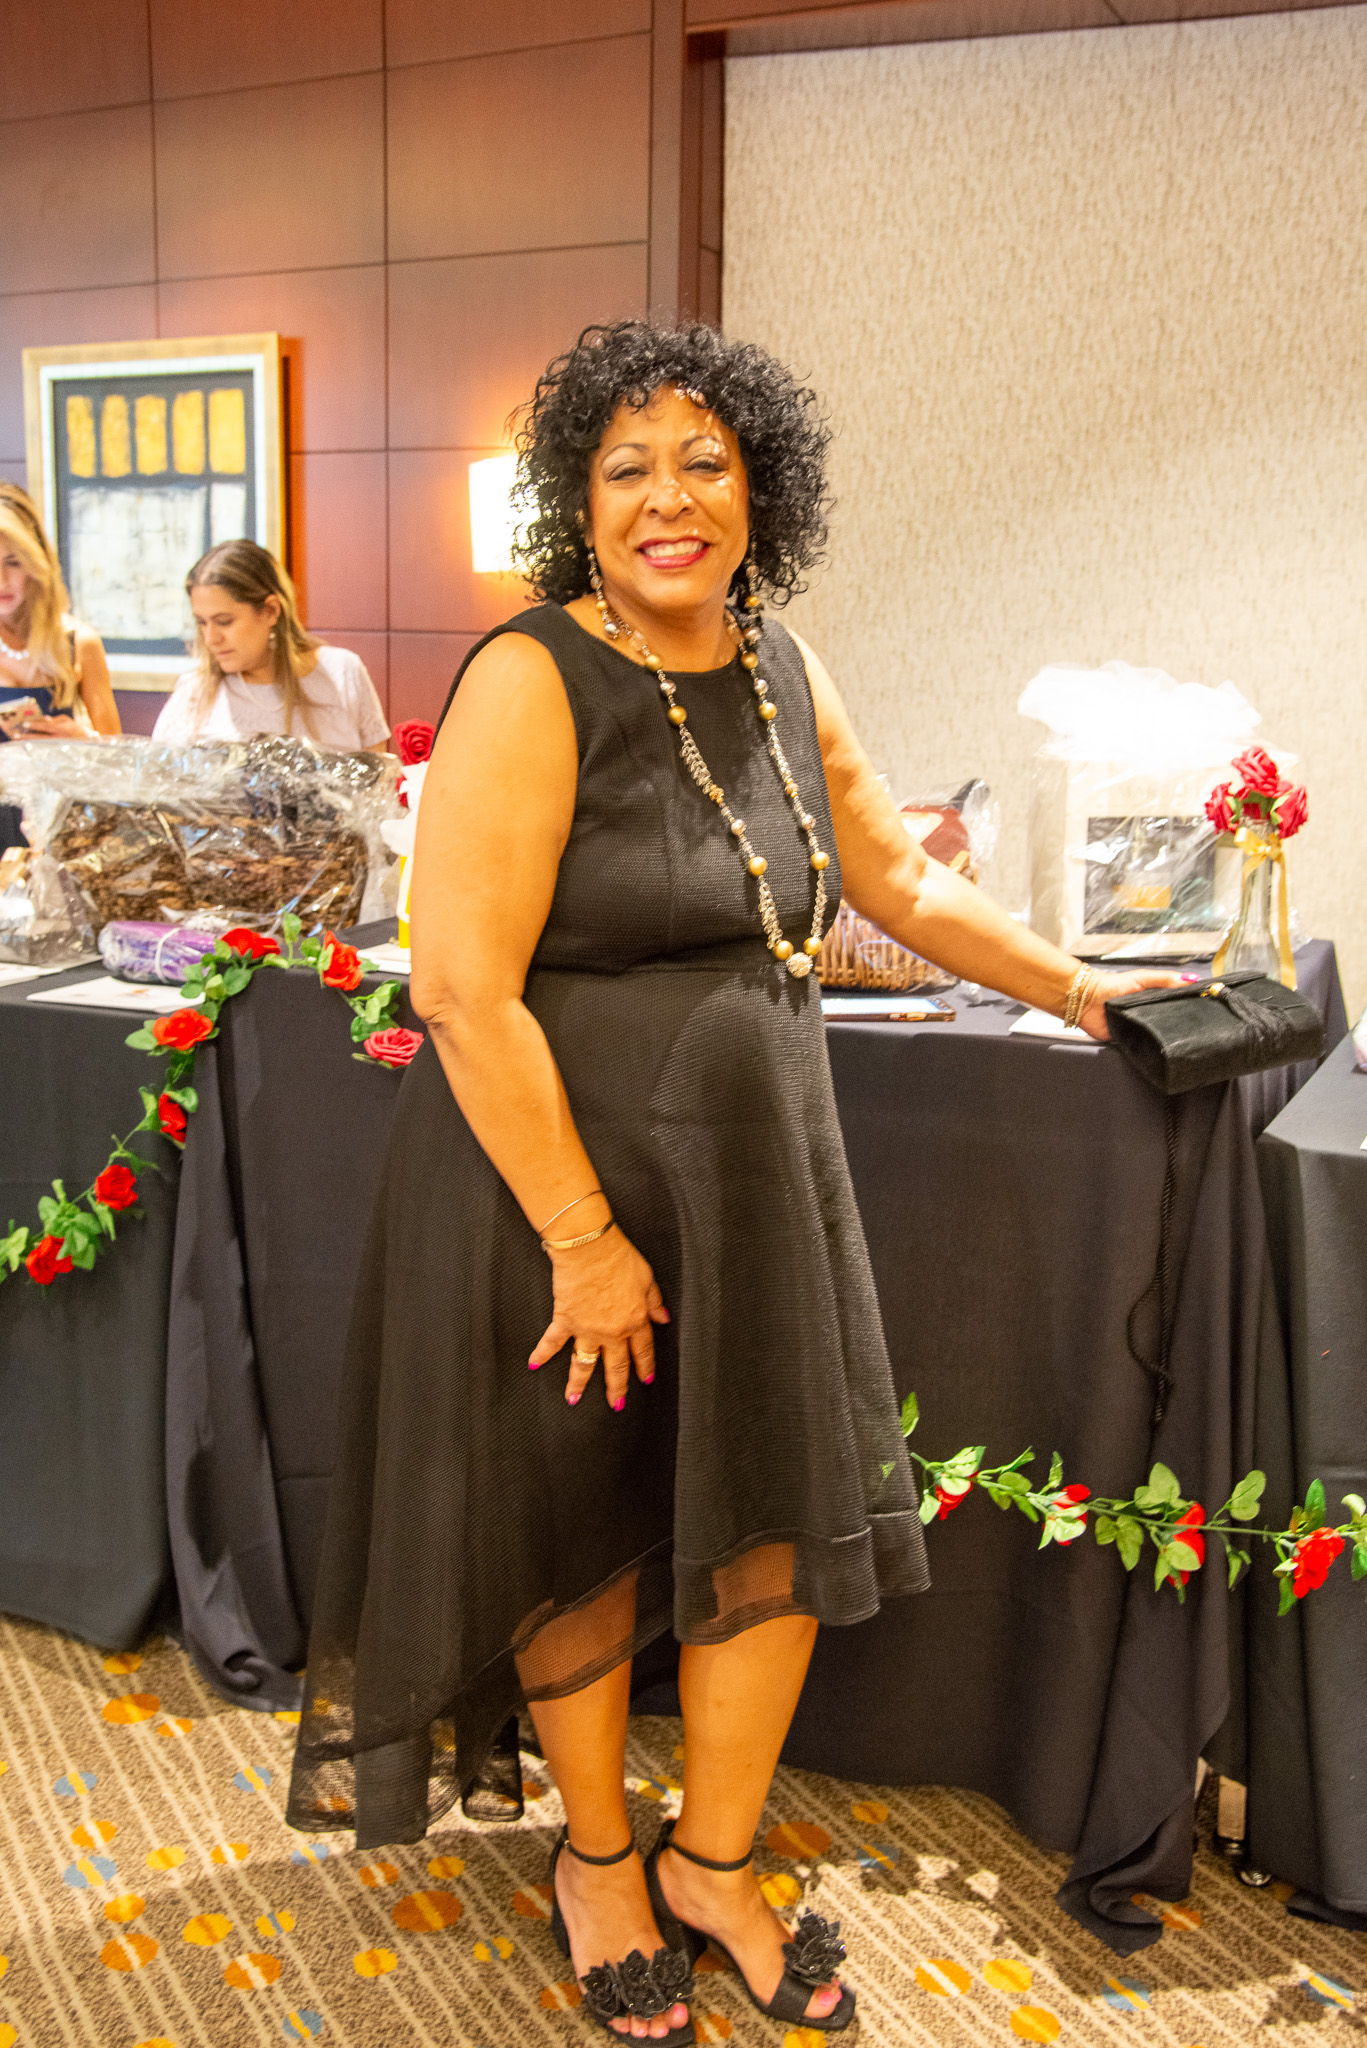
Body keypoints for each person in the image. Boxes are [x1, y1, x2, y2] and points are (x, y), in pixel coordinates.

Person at [287, 322, 1177, 2044]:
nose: (668, 499)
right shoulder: (530, 674)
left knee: (770, 1516)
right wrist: (580, 1237)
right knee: (578, 1527)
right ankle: (596, 1862)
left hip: (756, 1185)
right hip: (557, 1187)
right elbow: (458, 986)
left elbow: (896, 873)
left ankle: (710, 1859)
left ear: (760, 489)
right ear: (577, 504)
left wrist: (1076, 986)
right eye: (625, 469)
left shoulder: (779, 663)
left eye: (702, 462)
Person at [152, 539, 387, 752]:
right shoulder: (194, 693)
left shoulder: (343, 672)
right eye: (202, 623)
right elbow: (158, 779)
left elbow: (381, 778)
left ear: (270, 611)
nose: (211, 639)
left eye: (224, 621)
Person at [0, 483, 119, 741]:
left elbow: (116, 750)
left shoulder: (79, 641)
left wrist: (81, 738)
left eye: (13, 562)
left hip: (61, 769)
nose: (2, 580)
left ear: (35, 562)